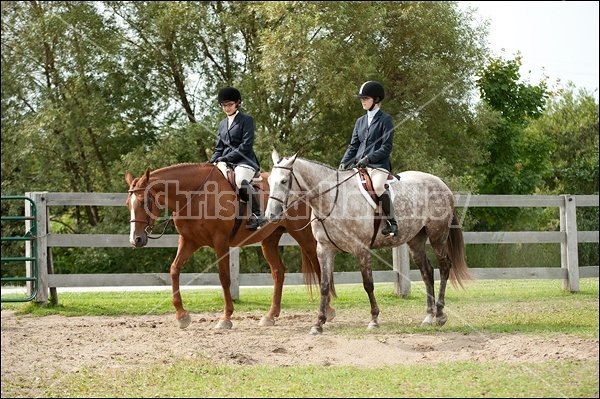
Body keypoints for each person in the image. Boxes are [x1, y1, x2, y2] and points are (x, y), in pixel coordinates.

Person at [339, 81, 398, 237]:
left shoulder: (386, 120)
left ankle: (392, 222)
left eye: (366, 98)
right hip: (359, 166)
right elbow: (353, 146)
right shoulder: (360, 121)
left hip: (378, 165)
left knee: (378, 187)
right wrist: (344, 162)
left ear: (376, 99)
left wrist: (369, 158)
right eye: (361, 98)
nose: (362, 101)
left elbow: (386, 147)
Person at [209, 86, 266, 231]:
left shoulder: (246, 120)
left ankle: (258, 214)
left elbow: (246, 145)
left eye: (229, 104)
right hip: (225, 161)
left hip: (244, 160)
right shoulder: (222, 124)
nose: (226, 108)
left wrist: (225, 158)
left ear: (237, 103)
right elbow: (219, 147)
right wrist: (211, 162)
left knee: (240, 181)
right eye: (224, 105)